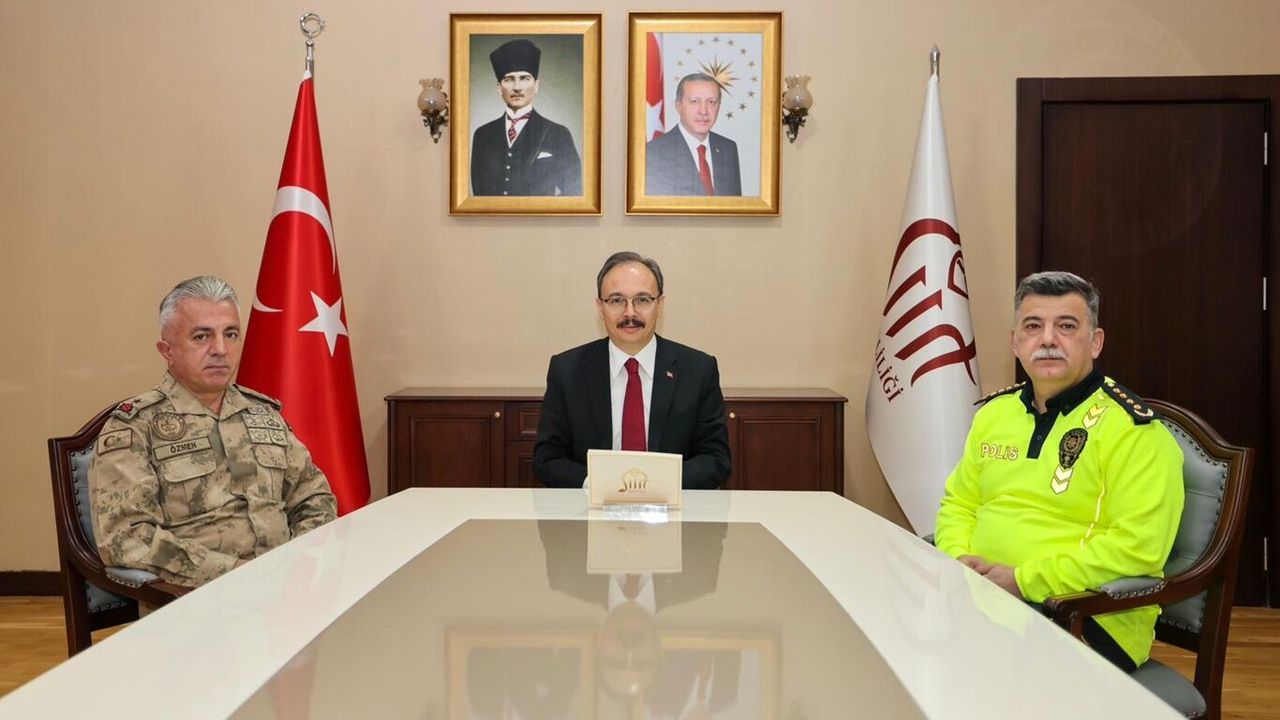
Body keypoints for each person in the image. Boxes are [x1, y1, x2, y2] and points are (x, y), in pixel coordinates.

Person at [934, 271, 1184, 672]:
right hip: (982, 599)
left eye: (1066, 326)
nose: (1048, 339)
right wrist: (960, 561)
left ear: (1095, 342)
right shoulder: (994, 415)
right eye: (1033, 326)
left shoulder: (1136, 431)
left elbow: (1136, 549)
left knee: (955, 670)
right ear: (1015, 342)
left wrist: (1023, 580)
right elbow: (959, 504)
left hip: (1084, 616)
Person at [89, 275, 337, 588]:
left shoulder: (263, 414)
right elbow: (126, 538)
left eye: (230, 334)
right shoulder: (136, 427)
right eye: (201, 336)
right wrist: (235, 573)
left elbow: (314, 498)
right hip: (196, 597)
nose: (220, 349)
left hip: (288, 588)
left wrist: (298, 562)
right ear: (167, 350)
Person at [533, 251, 731, 489]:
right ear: (600, 307)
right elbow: (547, 458)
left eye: (643, 300)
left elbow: (716, 459)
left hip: (674, 506)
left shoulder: (698, 370)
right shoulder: (567, 370)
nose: (630, 313)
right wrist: (599, 484)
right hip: (590, 505)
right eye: (617, 300)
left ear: (660, 305)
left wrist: (655, 484)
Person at [470, 38, 581, 197]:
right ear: (499, 88)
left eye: (524, 78)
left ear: (536, 86)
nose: (517, 87)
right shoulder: (483, 135)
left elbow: (573, 192)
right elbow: (479, 194)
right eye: (509, 79)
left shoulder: (558, 134)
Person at [645, 73, 742, 197]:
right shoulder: (654, 152)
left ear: (719, 106)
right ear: (678, 106)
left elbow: (734, 206)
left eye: (712, 102)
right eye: (694, 101)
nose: (703, 111)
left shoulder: (728, 148)